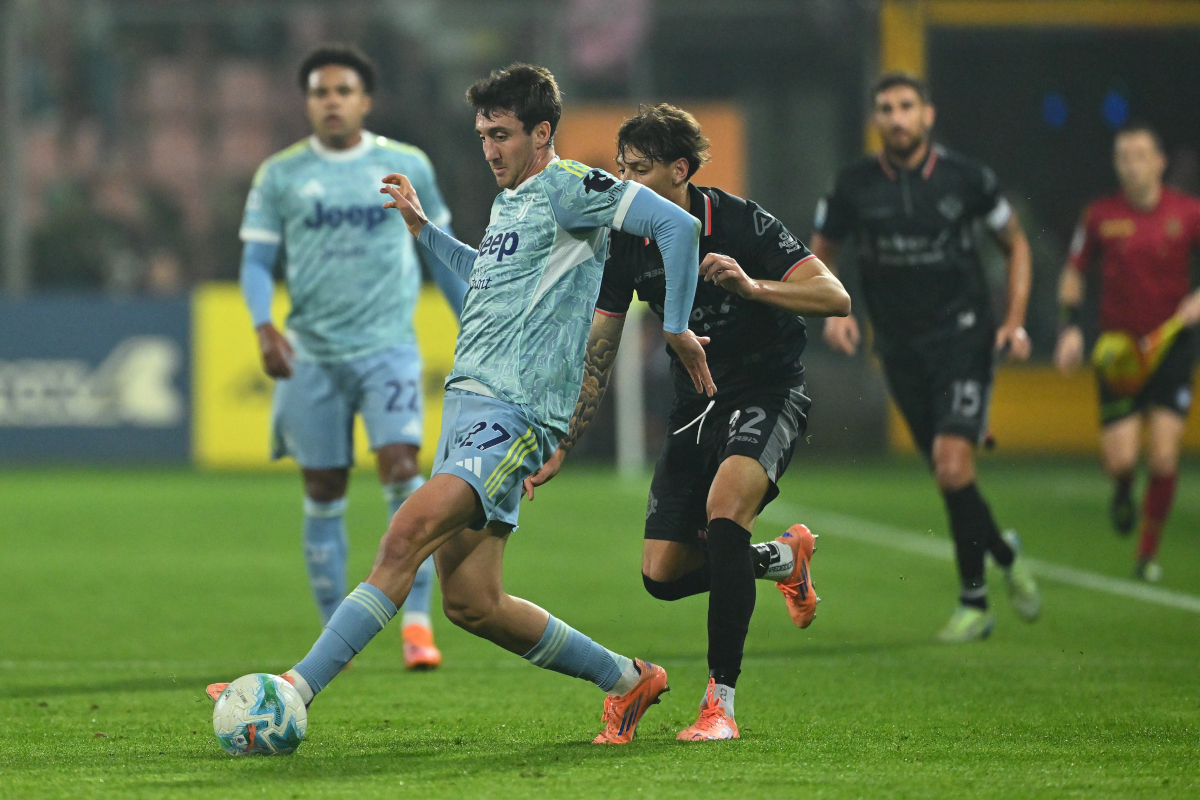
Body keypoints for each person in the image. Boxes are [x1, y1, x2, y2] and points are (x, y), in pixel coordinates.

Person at [211, 63, 715, 745]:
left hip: (514, 415)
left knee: (402, 537)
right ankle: (631, 681)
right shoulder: (512, 201)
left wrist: (677, 326)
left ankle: (290, 692)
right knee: (473, 603)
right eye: (483, 135)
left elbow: (677, 228)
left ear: (544, 132)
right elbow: (489, 275)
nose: (490, 150)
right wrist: (423, 230)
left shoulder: (572, 189)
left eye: (502, 134)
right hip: (469, 411)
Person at [523, 104, 849, 740]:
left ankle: (719, 706)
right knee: (661, 576)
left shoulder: (738, 221)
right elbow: (601, 348)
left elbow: (833, 296)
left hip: (765, 389)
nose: (624, 183)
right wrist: (564, 439)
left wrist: (755, 287)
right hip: (694, 405)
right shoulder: (625, 238)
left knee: (725, 515)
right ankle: (782, 559)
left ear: (681, 170)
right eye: (620, 169)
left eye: (639, 171)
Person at [237, 44, 466, 670]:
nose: (330, 101)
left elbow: (437, 248)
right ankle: (335, 634)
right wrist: (263, 326)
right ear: (307, 102)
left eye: (342, 90)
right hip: (311, 352)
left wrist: (473, 317)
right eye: (319, 92)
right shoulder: (280, 174)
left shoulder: (404, 163)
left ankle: (417, 624)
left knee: (399, 467)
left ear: (365, 100)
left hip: (387, 348)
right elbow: (257, 260)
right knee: (323, 485)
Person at [812, 72, 1041, 643]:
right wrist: (838, 312)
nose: (897, 117)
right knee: (948, 477)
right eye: (886, 108)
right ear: (875, 120)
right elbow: (821, 253)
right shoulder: (853, 185)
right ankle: (1001, 551)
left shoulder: (968, 180)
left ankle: (975, 604)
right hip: (898, 347)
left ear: (928, 114)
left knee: (951, 465)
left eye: (906, 106)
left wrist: (1012, 323)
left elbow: (1016, 245)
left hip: (963, 338)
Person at [1054, 121, 1200, 582]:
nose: (1130, 163)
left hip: (1172, 346)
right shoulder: (1099, 216)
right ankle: (1121, 488)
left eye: (1139, 154)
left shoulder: (1189, 212)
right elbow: (1074, 272)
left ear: (1159, 162)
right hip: (1119, 352)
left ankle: (1146, 555)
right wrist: (1070, 329)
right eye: (1122, 156)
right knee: (1120, 460)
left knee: (1162, 457)